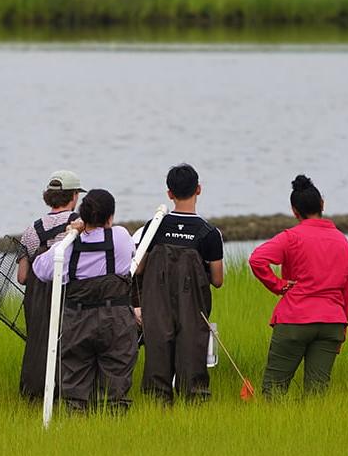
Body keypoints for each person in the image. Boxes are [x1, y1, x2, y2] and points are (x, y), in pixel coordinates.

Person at [32, 189, 137, 413]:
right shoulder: (120, 236)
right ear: (110, 216)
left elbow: (39, 269)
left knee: (75, 385)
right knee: (116, 385)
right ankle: (113, 432)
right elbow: (131, 255)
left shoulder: (68, 247)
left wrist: (70, 234)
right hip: (115, 320)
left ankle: (76, 430)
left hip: (77, 321)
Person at [249, 175, 348, 396]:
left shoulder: (291, 238)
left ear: (295, 211)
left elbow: (257, 259)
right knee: (317, 393)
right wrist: (342, 327)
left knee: (274, 390)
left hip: (294, 319)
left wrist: (279, 285)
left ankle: (274, 429)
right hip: (332, 322)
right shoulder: (342, 241)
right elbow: (347, 288)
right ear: (322, 204)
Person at [135, 164, 224, 403]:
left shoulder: (154, 227)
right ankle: (194, 408)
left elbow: (138, 268)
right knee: (192, 360)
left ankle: (157, 408)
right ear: (199, 189)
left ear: (169, 194)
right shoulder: (209, 233)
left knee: (158, 359)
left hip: (156, 307)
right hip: (193, 310)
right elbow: (217, 280)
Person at [16, 170, 83, 401]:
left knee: (37, 344)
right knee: (67, 344)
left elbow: (22, 276)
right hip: (67, 294)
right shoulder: (78, 225)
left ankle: (33, 395)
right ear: (74, 196)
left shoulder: (31, 230)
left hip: (36, 297)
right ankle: (65, 394)